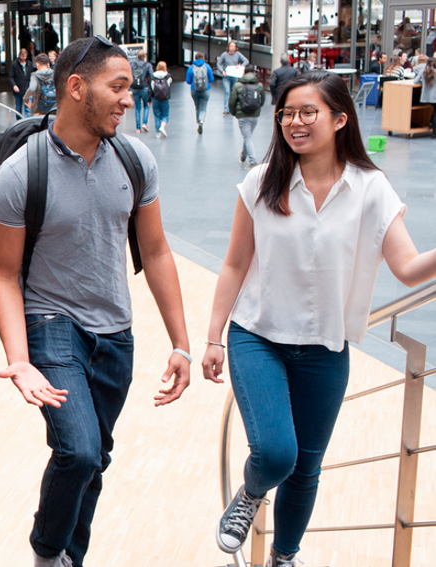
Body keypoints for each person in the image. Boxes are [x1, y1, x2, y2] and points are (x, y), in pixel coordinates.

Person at [204, 71, 436, 567]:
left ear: (340, 119)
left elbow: (408, 267)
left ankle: (284, 557)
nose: (295, 122)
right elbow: (235, 264)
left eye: (308, 112)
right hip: (257, 336)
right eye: (287, 113)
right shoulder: (261, 181)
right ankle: (251, 493)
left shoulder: (370, 188)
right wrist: (213, 338)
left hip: (326, 347)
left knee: (307, 469)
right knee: (276, 454)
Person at [0, 37, 193, 567]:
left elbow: (156, 251)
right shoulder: (20, 174)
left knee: (94, 459)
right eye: (118, 86)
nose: (129, 98)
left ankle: (68, 558)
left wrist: (181, 344)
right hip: (52, 323)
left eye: (130, 87)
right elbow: (5, 277)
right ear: (77, 87)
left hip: (116, 334)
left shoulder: (134, 159)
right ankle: (47, 553)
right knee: (78, 450)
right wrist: (19, 360)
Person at [229, 64, 263, 169]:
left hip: (243, 116)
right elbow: (262, 100)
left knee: (247, 137)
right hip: (255, 115)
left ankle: (253, 161)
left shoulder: (238, 85)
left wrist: (234, 113)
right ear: (254, 73)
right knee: (248, 136)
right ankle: (243, 155)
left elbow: (232, 101)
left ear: (244, 73)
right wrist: (257, 109)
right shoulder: (259, 85)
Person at [217, 41, 249, 115]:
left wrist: (240, 66)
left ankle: (233, 107)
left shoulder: (237, 54)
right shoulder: (224, 55)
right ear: (228, 47)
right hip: (226, 76)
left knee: (233, 92)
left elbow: (246, 61)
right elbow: (218, 63)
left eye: (234, 46)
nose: (232, 48)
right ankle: (226, 109)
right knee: (227, 91)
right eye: (231, 46)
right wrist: (222, 71)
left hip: (234, 76)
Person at [186, 52, 214, 133]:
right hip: (206, 89)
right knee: (203, 107)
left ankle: (198, 121)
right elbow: (211, 79)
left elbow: (188, 81)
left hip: (194, 89)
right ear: (203, 58)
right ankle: (201, 120)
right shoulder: (207, 67)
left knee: (197, 107)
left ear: (195, 58)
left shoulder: (191, 68)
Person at [129, 49, 154, 133]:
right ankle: (144, 123)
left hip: (135, 88)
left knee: (137, 108)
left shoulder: (132, 65)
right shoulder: (148, 65)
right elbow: (152, 76)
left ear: (137, 56)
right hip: (144, 88)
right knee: (146, 106)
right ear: (144, 56)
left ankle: (138, 128)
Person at [413, 54, 436, 132]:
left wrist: (422, 82)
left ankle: (431, 124)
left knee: (434, 111)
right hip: (435, 96)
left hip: (426, 96)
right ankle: (433, 130)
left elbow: (415, 81)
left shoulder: (423, 71)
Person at [151, 61, 172, 137]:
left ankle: (158, 132)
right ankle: (162, 127)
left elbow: (152, 87)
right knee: (165, 114)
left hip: (156, 98)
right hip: (164, 98)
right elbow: (169, 85)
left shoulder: (153, 76)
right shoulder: (167, 76)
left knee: (157, 115)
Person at [11, 47, 32, 116]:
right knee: (18, 107)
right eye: (22, 56)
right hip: (18, 89)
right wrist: (14, 85)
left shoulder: (29, 64)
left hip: (27, 89)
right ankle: (19, 120)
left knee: (28, 107)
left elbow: (31, 75)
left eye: (25, 56)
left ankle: (28, 120)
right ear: (19, 55)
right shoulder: (14, 64)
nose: (24, 58)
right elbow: (11, 76)